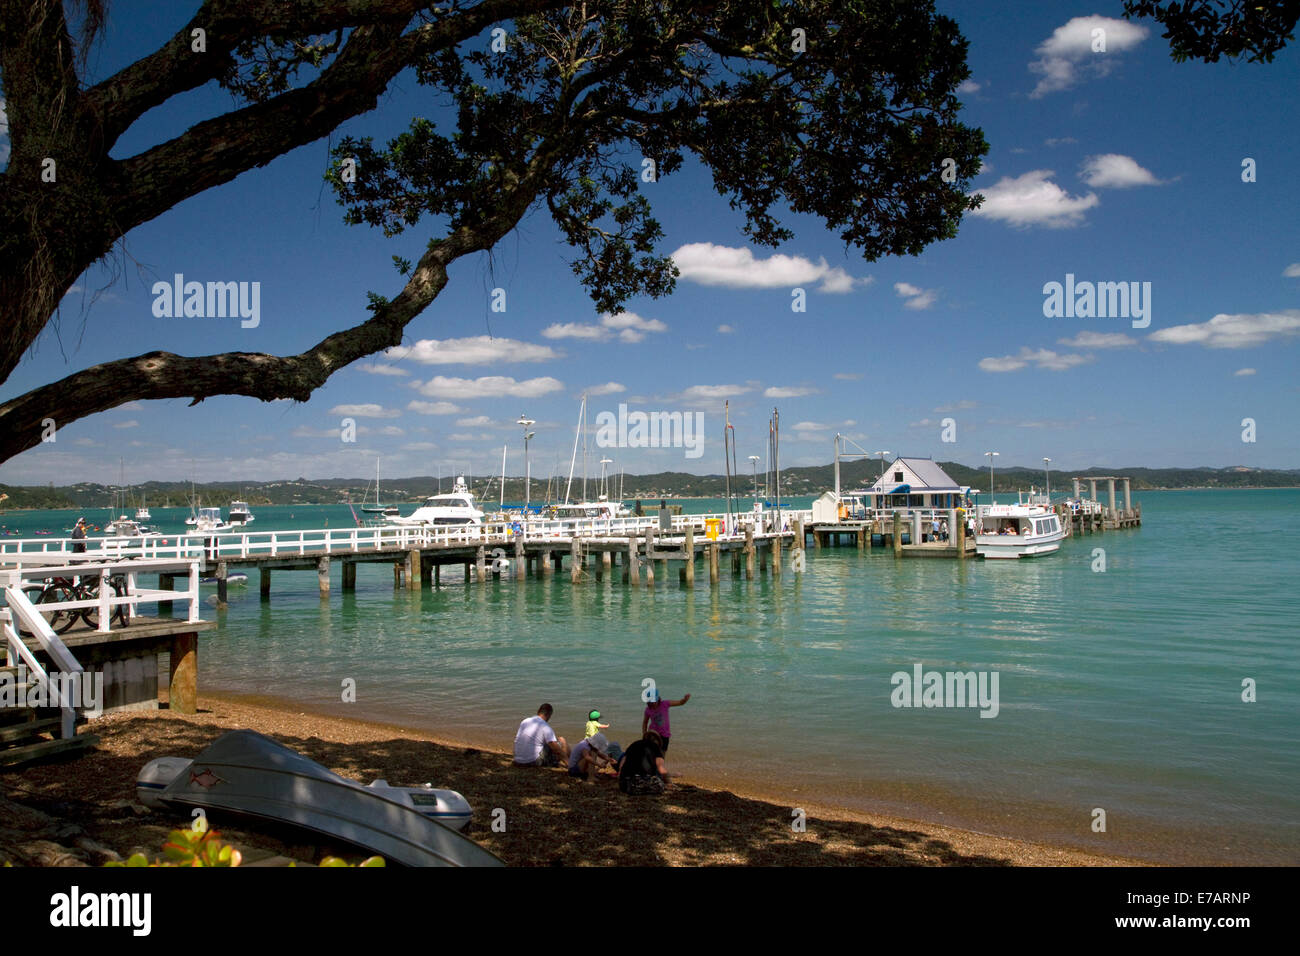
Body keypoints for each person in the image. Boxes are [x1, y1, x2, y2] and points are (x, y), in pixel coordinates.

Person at [513, 703, 569, 768]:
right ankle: (569, 764)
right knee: (562, 740)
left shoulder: (525, 721)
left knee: (548, 742)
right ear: (549, 715)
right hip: (532, 762)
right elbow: (556, 749)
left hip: (517, 760)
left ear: (538, 712)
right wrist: (567, 760)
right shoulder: (545, 726)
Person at [616, 730, 668, 795]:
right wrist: (668, 782)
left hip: (626, 786)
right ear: (656, 741)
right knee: (659, 783)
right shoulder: (655, 747)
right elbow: (662, 770)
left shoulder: (633, 744)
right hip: (642, 786)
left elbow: (621, 766)